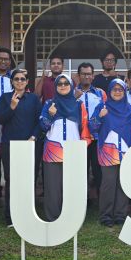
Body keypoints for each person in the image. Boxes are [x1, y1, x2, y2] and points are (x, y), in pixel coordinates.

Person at [89, 79, 131, 226]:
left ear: (125, 91)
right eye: (114, 89)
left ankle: (120, 215)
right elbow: (92, 127)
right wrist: (100, 116)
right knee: (108, 183)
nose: (117, 92)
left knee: (123, 183)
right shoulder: (102, 106)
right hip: (108, 152)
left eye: (120, 89)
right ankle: (106, 216)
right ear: (109, 91)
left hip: (127, 150)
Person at [39, 75, 90, 221]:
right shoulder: (49, 103)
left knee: (72, 185)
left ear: (71, 86)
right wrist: (50, 115)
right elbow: (43, 126)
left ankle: (72, 218)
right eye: (59, 83)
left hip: (74, 149)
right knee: (52, 186)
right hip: (53, 149)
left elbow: (85, 127)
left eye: (66, 83)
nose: (62, 86)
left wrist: (83, 146)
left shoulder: (79, 105)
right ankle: (53, 217)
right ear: (55, 87)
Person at [0, 69, 42, 227]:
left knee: (29, 180)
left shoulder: (34, 99)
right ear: (12, 81)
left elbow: (40, 121)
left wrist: (34, 137)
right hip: (10, 146)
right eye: (16, 79)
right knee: (12, 181)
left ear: (27, 81)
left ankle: (28, 215)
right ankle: (11, 217)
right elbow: (0, 119)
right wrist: (12, 107)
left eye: (23, 79)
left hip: (30, 145)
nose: (20, 81)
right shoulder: (5, 98)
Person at [74, 62, 107, 199]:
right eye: (83, 74)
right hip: (78, 137)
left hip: (97, 137)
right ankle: (82, 201)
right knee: (80, 171)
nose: (86, 77)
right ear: (78, 76)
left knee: (98, 170)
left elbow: (106, 112)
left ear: (93, 76)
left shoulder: (101, 93)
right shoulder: (72, 92)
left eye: (89, 74)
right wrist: (73, 98)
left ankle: (101, 200)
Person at [33, 55, 65, 187]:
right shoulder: (45, 81)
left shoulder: (67, 81)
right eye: (53, 63)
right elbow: (36, 96)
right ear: (50, 66)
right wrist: (41, 79)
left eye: (58, 63)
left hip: (63, 124)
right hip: (47, 122)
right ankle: (47, 189)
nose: (56, 65)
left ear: (63, 66)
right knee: (46, 157)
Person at [0, 48, 13, 200]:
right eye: (0, 58)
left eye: (6, 59)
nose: (3, 61)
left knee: (9, 163)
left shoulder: (15, 79)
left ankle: (10, 196)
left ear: (10, 62)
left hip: (9, 125)